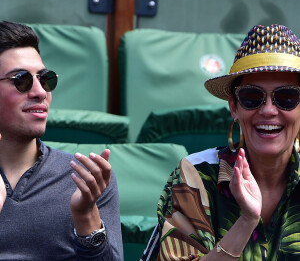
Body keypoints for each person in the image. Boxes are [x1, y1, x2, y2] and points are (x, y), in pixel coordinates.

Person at [141, 24, 300, 260]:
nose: (268, 110)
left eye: (287, 97)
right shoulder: (195, 175)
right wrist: (245, 222)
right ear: (234, 107)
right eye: (251, 97)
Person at [0, 21, 123, 260]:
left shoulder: (87, 181)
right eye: (21, 80)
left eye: (45, 79)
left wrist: (86, 219)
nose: (40, 92)